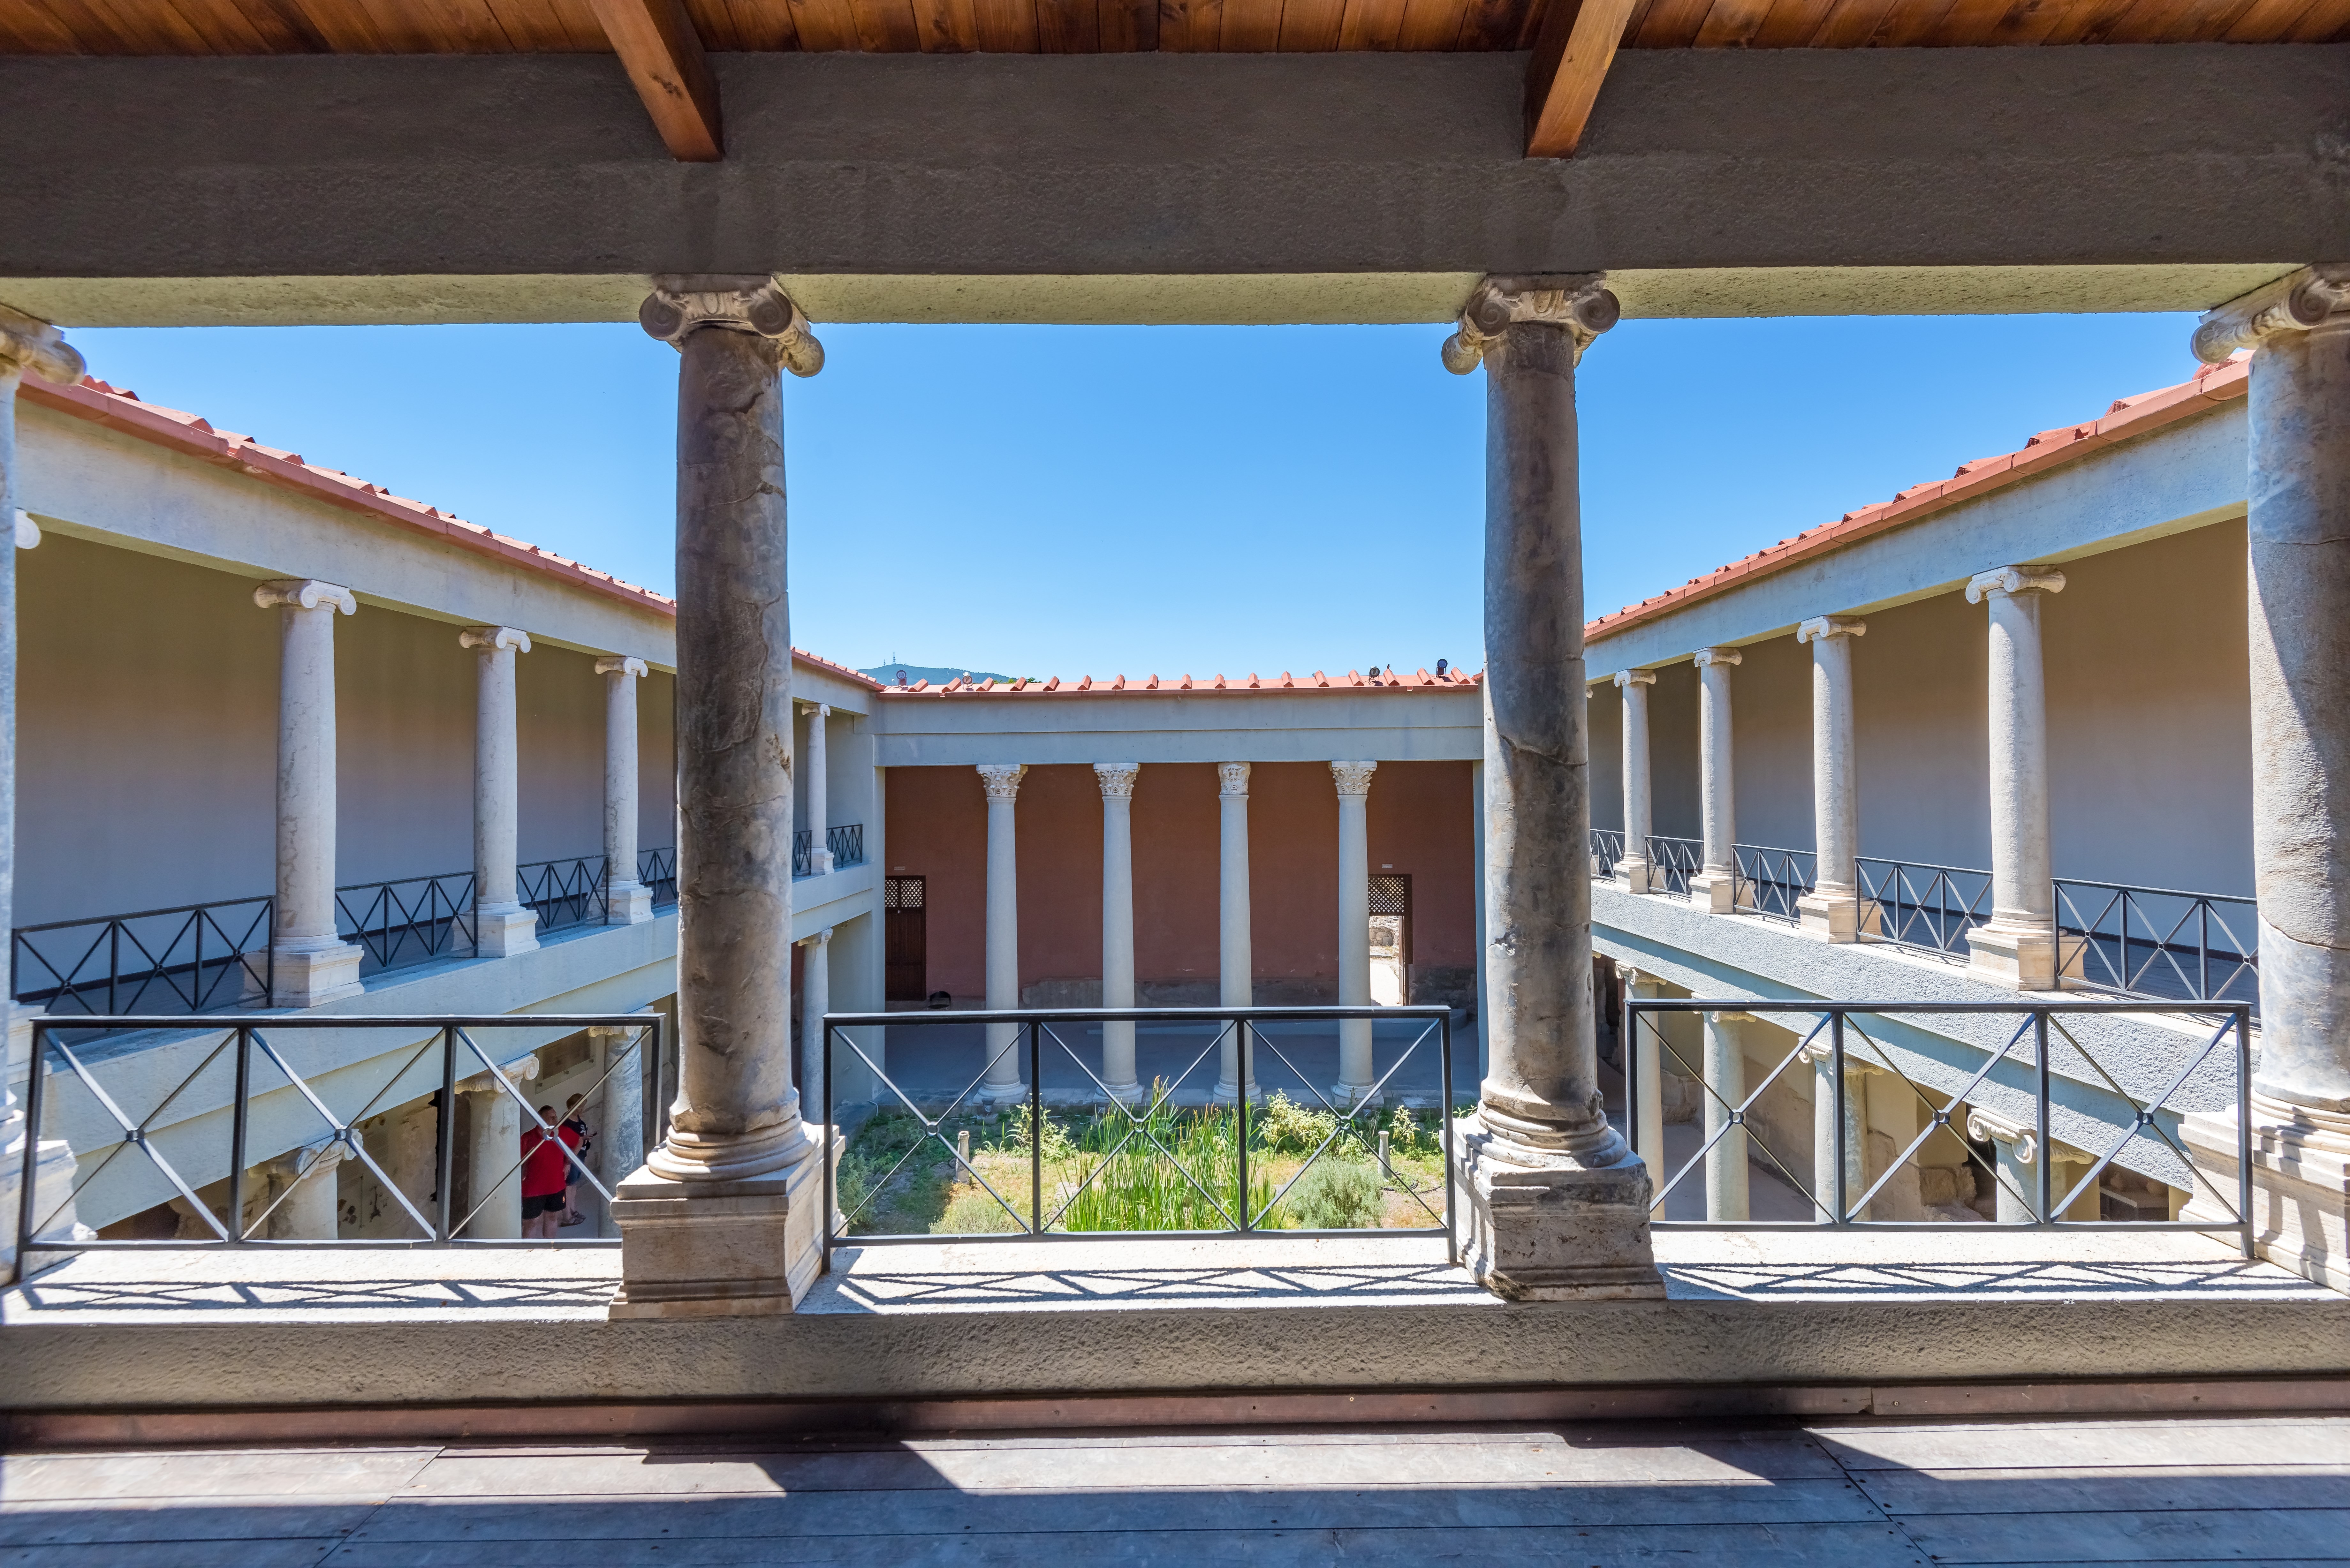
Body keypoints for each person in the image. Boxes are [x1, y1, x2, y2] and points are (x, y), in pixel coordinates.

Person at [519, 1105, 580, 1240]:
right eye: (551, 1117)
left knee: (552, 1217)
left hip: (556, 1186)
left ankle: (549, 1247)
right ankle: (528, 1250)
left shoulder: (562, 1132)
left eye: (556, 1116)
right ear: (540, 1119)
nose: (556, 1119)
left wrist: (569, 1162)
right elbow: (518, 1159)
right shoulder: (528, 1138)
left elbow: (579, 1141)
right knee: (531, 1222)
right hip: (533, 1189)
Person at [559, 1093, 594, 1227]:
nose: (582, 1109)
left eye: (583, 1106)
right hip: (572, 1153)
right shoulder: (566, 1120)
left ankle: (573, 1210)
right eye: (579, 1106)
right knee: (569, 1184)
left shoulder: (578, 1118)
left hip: (581, 1152)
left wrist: (586, 1139)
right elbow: (566, 1138)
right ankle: (567, 1216)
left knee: (574, 1183)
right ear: (571, 1106)